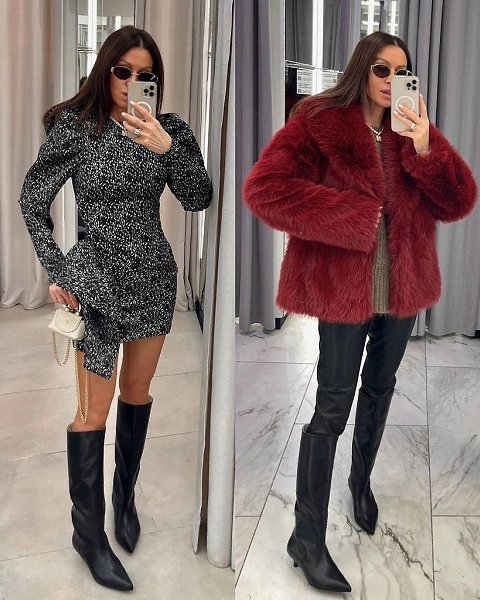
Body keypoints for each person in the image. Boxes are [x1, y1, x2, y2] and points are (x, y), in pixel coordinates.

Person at [243, 31, 477, 593]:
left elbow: (459, 201)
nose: (391, 80)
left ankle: (361, 482)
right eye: (380, 69)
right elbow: (264, 188)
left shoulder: (412, 128)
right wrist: (351, 216)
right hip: (343, 289)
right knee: (331, 406)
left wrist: (426, 148)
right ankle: (306, 537)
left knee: (381, 387)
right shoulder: (319, 120)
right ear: (361, 70)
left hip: (402, 286)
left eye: (401, 71)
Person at [19, 25, 212, 592]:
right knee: (91, 413)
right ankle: (88, 534)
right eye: (122, 71)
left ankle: (124, 502)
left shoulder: (170, 131)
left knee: (137, 393)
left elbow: (199, 197)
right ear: (105, 71)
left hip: (152, 279)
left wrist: (166, 148)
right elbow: (33, 201)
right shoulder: (76, 128)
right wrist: (59, 270)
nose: (132, 82)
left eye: (144, 74)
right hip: (97, 287)